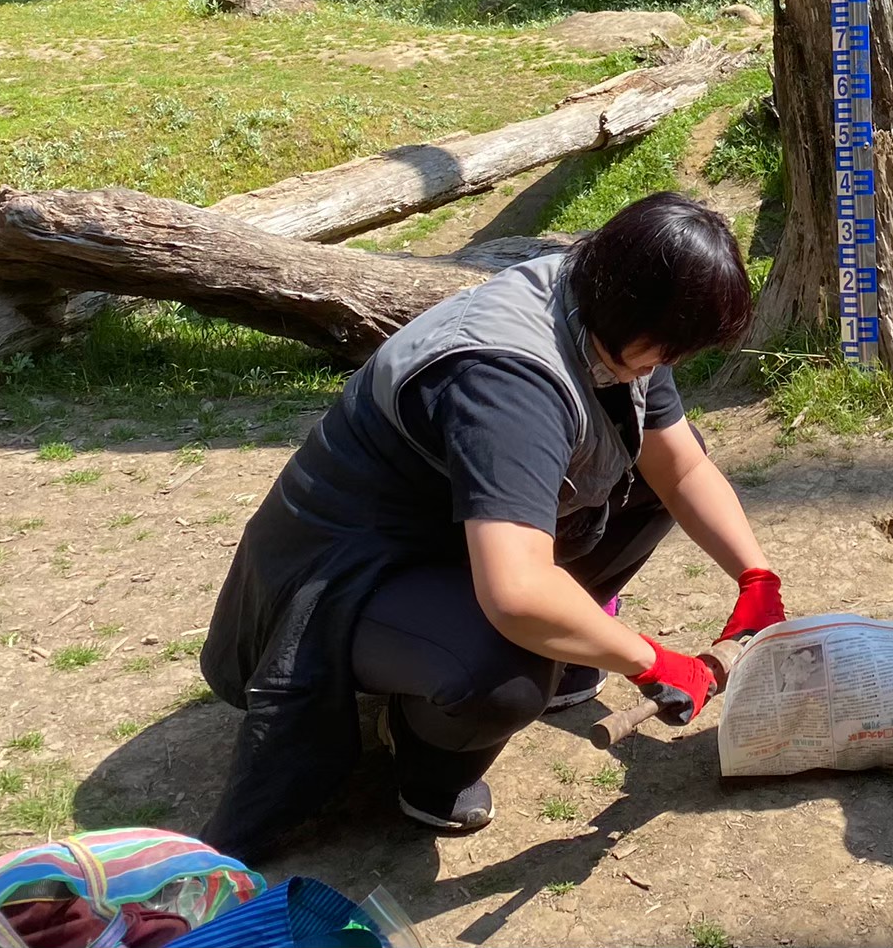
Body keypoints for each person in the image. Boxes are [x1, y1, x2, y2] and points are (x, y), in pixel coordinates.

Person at [198, 192, 784, 857]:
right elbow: (517, 593)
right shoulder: (509, 382)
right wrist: (651, 661)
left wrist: (754, 574)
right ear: (632, 306)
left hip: (452, 535)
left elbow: (678, 470)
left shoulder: (608, 312)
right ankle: (427, 767)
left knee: (644, 482)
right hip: (343, 571)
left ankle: (545, 642)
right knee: (503, 668)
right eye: (665, 352)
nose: (668, 368)